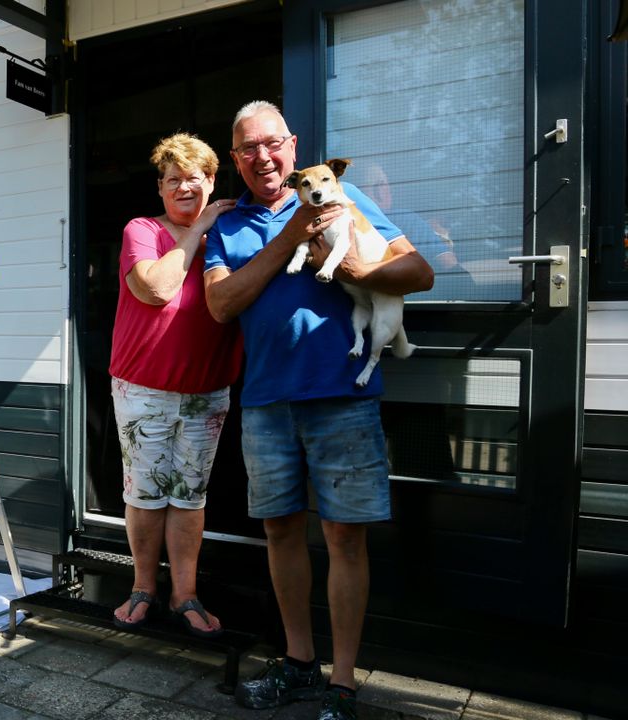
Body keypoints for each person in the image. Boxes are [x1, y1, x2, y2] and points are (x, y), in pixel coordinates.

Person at [202, 102, 433, 720]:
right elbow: (222, 305)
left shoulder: (342, 193)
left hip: (342, 397)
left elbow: (420, 270)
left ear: (294, 147)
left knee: (344, 539)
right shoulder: (227, 226)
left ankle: (345, 682)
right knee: (280, 532)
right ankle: (300, 663)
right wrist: (292, 236)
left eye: (272, 144)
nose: (263, 158)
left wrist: (359, 266)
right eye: (248, 149)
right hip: (267, 402)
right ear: (236, 160)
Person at [109, 133, 243, 639]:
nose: (184, 187)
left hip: (209, 388)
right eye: (173, 180)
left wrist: (214, 228)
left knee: (189, 494)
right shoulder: (142, 230)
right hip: (143, 386)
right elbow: (158, 288)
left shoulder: (233, 232)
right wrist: (199, 229)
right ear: (161, 188)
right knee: (146, 493)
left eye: (195, 177)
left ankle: (185, 594)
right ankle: (143, 588)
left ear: (212, 180)